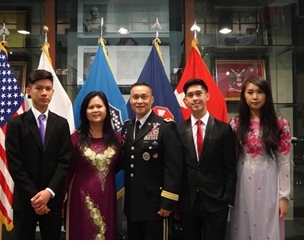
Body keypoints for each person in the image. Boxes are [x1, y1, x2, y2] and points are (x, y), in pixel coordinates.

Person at [5, 69, 72, 240]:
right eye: (39, 88)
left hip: (52, 200)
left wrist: (48, 193)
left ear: (53, 92)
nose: (44, 93)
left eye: (48, 89)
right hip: (25, 200)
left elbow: (64, 162)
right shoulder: (15, 124)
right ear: (28, 91)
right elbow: (15, 164)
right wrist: (35, 198)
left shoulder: (61, 124)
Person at [229, 76, 292, 240]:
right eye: (250, 92)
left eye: (259, 92)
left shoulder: (280, 124)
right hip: (242, 182)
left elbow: (284, 161)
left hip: (269, 181)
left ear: (267, 95)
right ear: (243, 95)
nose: (254, 97)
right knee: (243, 225)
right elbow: (230, 159)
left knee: (268, 225)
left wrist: (284, 196)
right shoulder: (235, 124)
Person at [120, 82, 183, 239]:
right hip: (132, 203)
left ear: (152, 99)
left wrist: (167, 201)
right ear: (130, 101)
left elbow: (174, 167)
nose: (139, 101)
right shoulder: (127, 127)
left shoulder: (165, 126)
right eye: (135, 97)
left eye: (144, 97)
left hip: (155, 205)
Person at [177, 78, 237, 239]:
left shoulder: (224, 130)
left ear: (207, 96)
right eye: (190, 95)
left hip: (216, 202)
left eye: (199, 94)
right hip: (187, 203)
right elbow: (175, 168)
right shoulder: (177, 130)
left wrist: (228, 200)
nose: (195, 98)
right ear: (185, 100)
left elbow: (230, 168)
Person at [65, 91, 122, 240]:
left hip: (107, 195)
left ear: (106, 110)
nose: (95, 110)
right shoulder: (74, 139)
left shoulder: (117, 138)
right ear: (85, 111)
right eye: (91, 107)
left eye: (99, 106)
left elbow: (120, 165)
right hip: (81, 196)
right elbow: (68, 171)